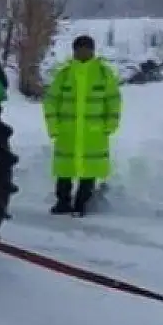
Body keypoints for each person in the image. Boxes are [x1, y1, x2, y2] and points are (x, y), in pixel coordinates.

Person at [44, 35, 122, 217]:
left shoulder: (104, 73)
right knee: (65, 171)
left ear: (93, 51)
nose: (84, 53)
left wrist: (110, 125)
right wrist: (54, 126)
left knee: (89, 172)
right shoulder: (64, 74)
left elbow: (113, 101)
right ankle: (62, 203)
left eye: (87, 49)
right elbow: (51, 101)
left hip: (93, 134)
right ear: (74, 51)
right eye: (80, 49)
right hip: (67, 133)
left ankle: (81, 204)